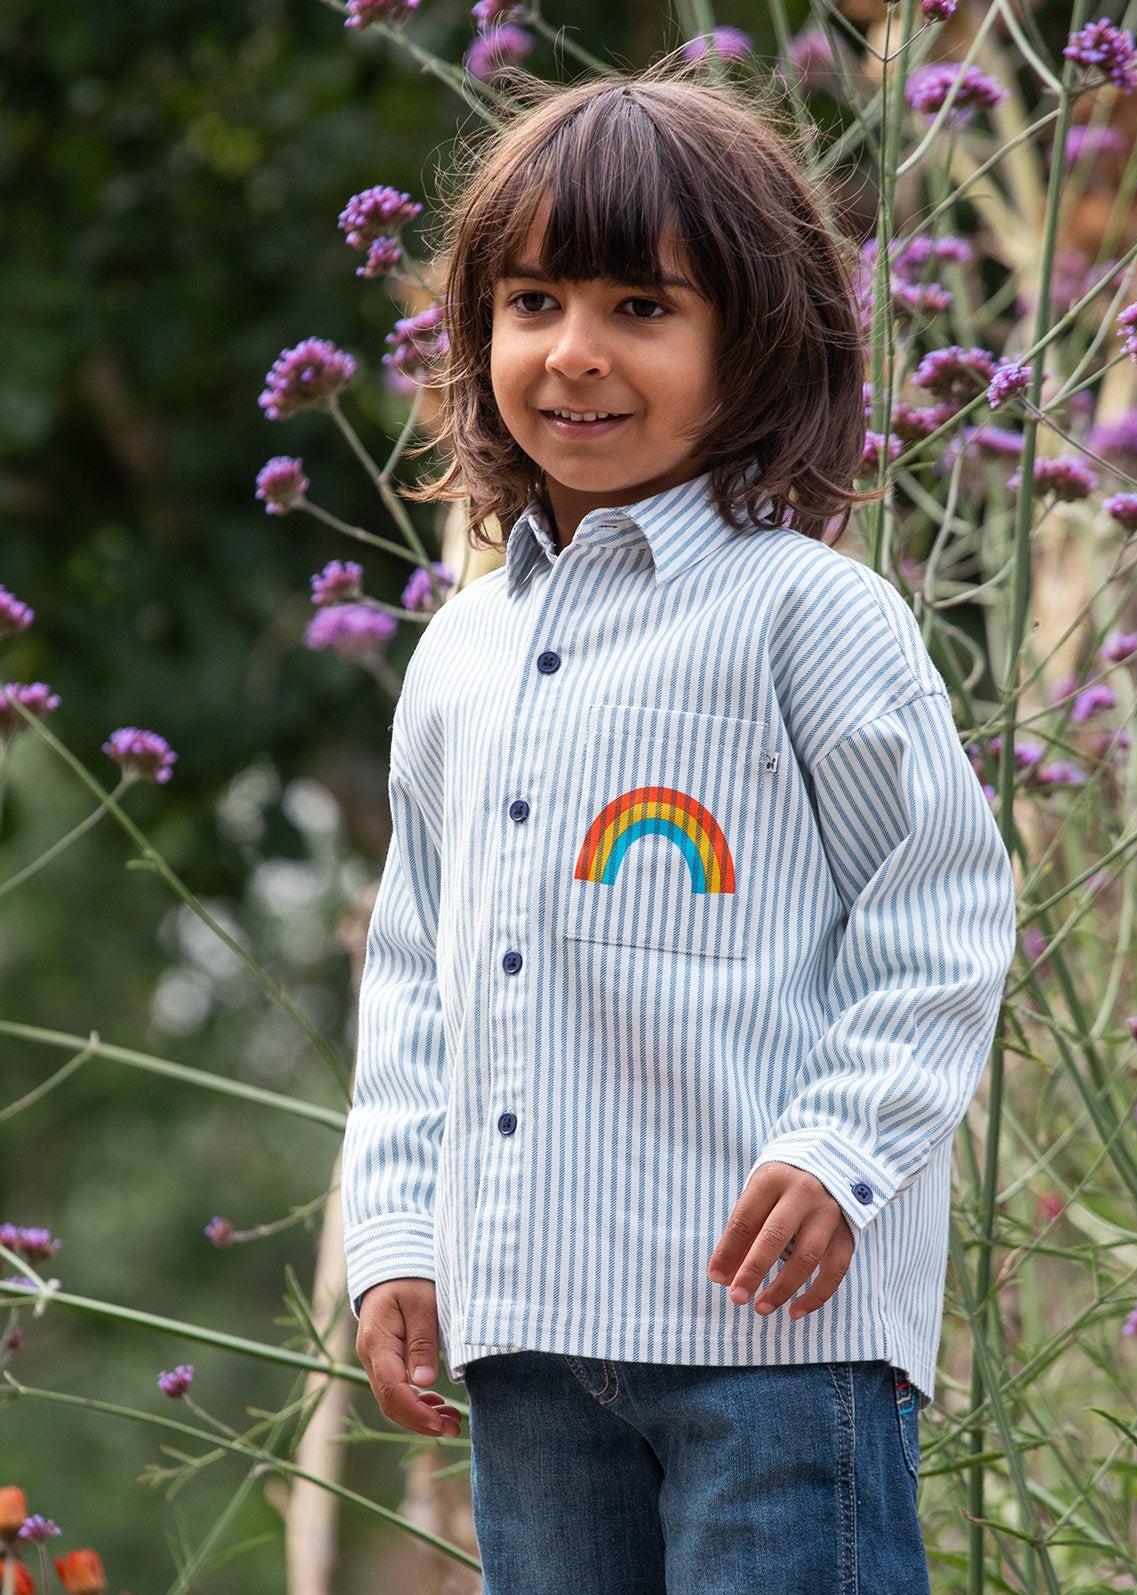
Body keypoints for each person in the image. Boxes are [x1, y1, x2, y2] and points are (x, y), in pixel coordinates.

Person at [343, 62, 1016, 1595]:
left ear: (752, 343)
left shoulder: (806, 616)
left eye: (640, 308)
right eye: (530, 303)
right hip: (524, 1343)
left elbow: (944, 909)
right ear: (475, 334)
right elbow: (413, 972)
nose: (573, 354)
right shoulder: (458, 652)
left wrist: (843, 1149)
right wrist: (394, 1232)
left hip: (771, 1347)